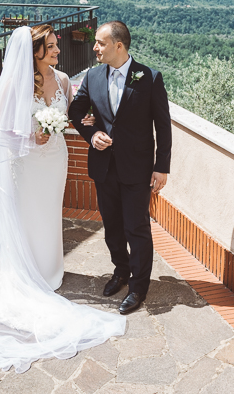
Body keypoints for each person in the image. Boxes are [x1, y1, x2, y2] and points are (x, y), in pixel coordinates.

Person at [0, 25, 126, 373]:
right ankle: (28, 272)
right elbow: (4, 134)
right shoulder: (17, 85)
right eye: (51, 47)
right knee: (27, 214)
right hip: (27, 163)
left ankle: (50, 271)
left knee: (49, 213)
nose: (57, 51)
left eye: (55, 46)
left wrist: (95, 122)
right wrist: (31, 139)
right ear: (34, 52)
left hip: (55, 160)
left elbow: (73, 115)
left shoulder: (65, 79)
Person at [68, 20, 172, 315]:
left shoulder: (149, 78)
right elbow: (77, 110)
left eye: (100, 43)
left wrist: (161, 167)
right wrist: (92, 134)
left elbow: (163, 127)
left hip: (137, 168)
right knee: (112, 226)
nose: (95, 48)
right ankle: (121, 272)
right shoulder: (92, 75)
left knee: (136, 228)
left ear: (119, 46)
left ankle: (139, 287)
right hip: (104, 167)